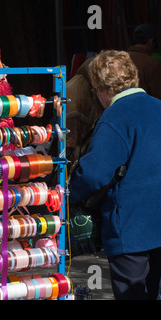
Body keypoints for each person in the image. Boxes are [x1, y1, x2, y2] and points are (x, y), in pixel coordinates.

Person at [69, 50, 161, 300]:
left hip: (131, 229)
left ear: (101, 88)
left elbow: (94, 174)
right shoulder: (158, 107)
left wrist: (70, 189)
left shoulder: (115, 117)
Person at [127, 24, 161, 100]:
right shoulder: (152, 64)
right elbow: (158, 94)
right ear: (151, 41)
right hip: (146, 108)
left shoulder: (119, 59)